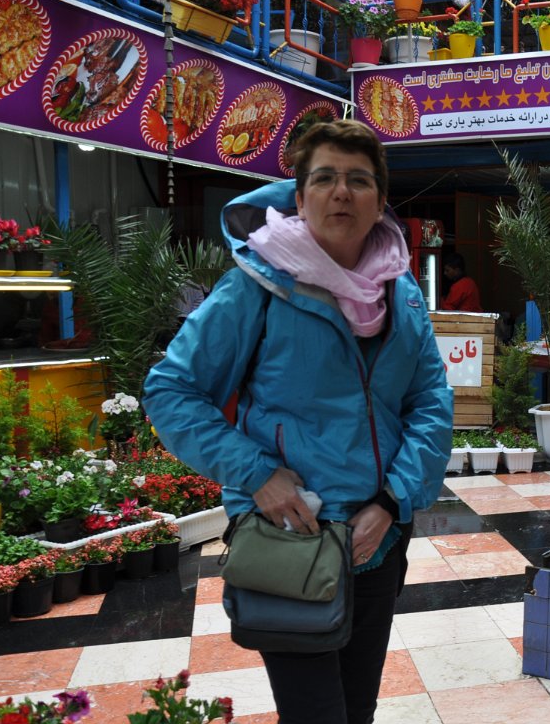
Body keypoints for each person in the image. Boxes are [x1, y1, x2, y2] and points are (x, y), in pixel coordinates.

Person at [143, 119, 453, 724]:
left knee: (356, 710)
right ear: (300, 196)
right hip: (290, 538)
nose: (342, 192)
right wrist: (257, 475)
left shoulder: (401, 291)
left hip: (378, 538)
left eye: (359, 180)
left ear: (380, 201)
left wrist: (392, 500)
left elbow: (430, 401)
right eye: (325, 178)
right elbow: (171, 390)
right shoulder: (259, 286)